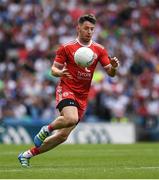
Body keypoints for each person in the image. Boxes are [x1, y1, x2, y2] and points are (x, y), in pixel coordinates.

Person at [18, 14, 120, 167]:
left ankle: (27, 154)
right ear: (78, 28)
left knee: (63, 136)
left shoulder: (99, 49)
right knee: (71, 118)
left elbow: (110, 73)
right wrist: (60, 73)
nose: (89, 32)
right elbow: (53, 70)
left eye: (92, 29)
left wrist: (114, 67)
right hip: (66, 88)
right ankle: (47, 129)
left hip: (82, 96)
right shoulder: (67, 47)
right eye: (86, 28)